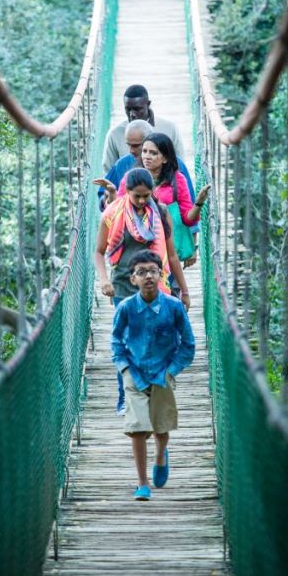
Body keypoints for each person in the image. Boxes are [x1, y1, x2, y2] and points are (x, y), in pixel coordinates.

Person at [94, 168, 190, 414]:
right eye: (136, 196)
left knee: (159, 336)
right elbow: (99, 250)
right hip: (124, 284)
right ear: (127, 192)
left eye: (146, 196)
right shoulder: (112, 213)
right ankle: (125, 396)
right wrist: (104, 280)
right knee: (126, 339)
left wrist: (185, 291)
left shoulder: (160, 211)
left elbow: (171, 254)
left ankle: (157, 387)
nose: (141, 201)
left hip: (156, 284)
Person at [111, 249, 195, 500]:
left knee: (161, 428)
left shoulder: (174, 307)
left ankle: (161, 454)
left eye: (152, 271)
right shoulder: (125, 308)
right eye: (141, 272)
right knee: (137, 428)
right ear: (132, 279)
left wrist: (172, 371)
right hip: (134, 373)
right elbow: (116, 342)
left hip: (162, 373)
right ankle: (142, 483)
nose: (147, 276)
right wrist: (124, 368)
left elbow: (188, 344)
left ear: (161, 274)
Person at [99, 133, 210, 273]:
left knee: (169, 289)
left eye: (153, 153)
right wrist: (112, 196)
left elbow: (188, 219)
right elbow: (118, 212)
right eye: (144, 151)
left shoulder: (177, 180)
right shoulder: (130, 177)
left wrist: (199, 204)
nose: (147, 156)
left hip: (168, 250)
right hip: (135, 246)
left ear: (165, 158)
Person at [101, 84, 184, 173]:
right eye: (128, 109)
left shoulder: (169, 129)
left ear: (148, 104)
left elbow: (179, 165)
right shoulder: (115, 134)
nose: (132, 114)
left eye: (137, 109)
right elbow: (109, 171)